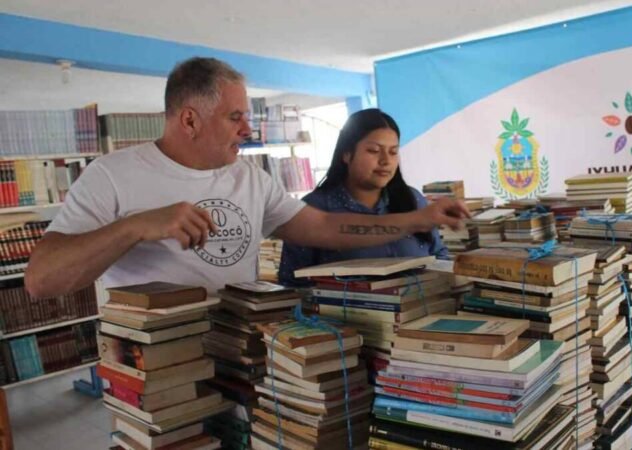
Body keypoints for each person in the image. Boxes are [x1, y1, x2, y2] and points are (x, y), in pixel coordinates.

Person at [24, 57, 469, 298]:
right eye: (235, 116)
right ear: (190, 120)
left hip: (241, 351)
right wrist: (136, 226)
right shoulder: (111, 176)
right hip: (160, 376)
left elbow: (326, 227)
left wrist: (416, 220)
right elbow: (42, 281)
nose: (248, 129)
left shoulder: (250, 178)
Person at [278, 109, 447, 286]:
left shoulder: (413, 200)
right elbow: (292, 283)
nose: (385, 161)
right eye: (374, 151)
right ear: (347, 154)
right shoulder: (313, 209)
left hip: (421, 309)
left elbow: (439, 257)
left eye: (393, 152)